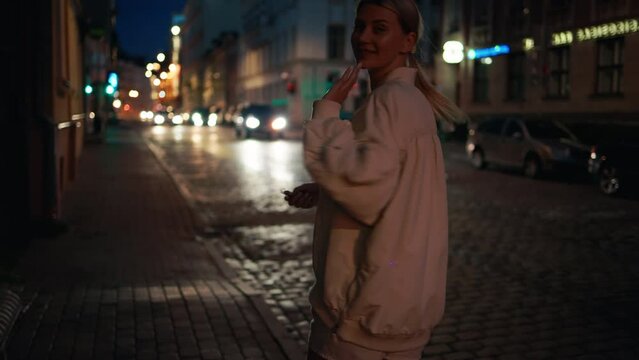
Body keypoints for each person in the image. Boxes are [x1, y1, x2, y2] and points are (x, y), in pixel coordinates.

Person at [283, 0, 465, 359]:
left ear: (407, 41)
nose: (363, 37)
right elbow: (386, 186)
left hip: (357, 320)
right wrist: (328, 190)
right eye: (359, 26)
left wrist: (327, 112)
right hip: (393, 313)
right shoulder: (410, 101)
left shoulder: (390, 101)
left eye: (379, 28)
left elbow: (363, 188)